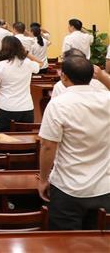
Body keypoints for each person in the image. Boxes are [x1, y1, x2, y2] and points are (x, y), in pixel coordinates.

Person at [38, 55, 110, 229]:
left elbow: (48, 147)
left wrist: (43, 179)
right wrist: (102, 76)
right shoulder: (107, 99)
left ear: (63, 76)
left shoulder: (58, 104)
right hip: (104, 187)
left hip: (68, 187)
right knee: (99, 241)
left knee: (65, 241)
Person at [0, 35, 42, 130]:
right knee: (25, 137)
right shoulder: (27, 63)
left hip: (5, 106)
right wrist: (26, 54)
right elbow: (40, 63)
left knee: (3, 137)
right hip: (26, 107)